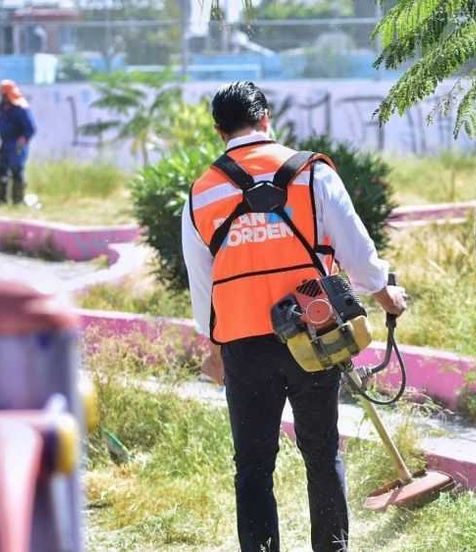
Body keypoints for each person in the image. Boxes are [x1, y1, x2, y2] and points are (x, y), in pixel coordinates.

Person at [181, 81, 407, 552]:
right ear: (266, 118)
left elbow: (202, 283)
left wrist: (214, 342)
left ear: (220, 130)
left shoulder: (202, 193)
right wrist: (385, 293)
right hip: (316, 334)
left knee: (254, 465)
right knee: (322, 454)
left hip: (243, 341)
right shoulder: (311, 173)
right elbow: (356, 250)